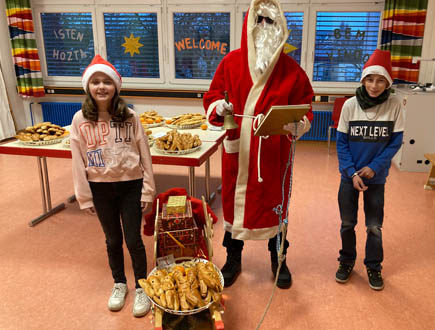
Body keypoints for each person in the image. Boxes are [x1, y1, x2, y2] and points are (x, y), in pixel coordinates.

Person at [203, 0, 314, 289]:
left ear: (281, 29)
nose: (265, 28)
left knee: (275, 207)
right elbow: (212, 95)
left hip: (274, 156)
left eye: (271, 22)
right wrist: (219, 107)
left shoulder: (292, 70)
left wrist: (299, 123)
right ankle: (234, 259)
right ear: (249, 24)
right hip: (238, 152)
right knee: (236, 207)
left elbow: (305, 106)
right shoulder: (230, 62)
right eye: (260, 21)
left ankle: (279, 259)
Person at [70, 55, 156, 316]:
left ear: (116, 86)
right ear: (88, 87)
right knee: (112, 240)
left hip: (131, 185)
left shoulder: (130, 117)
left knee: (133, 239)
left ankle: (141, 285)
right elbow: (78, 160)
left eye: (106, 81)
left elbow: (144, 154)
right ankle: (119, 283)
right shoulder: (79, 120)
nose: (101, 87)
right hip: (100, 189)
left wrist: (148, 189)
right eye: (95, 82)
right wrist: (84, 197)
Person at [335, 49, 404, 291]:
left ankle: (374, 266)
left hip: (377, 177)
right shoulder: (349, 106)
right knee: (347, 222)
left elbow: (395, 142)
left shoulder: (395, 105)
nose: (375, 86)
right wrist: (351, 173)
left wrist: (375, 167)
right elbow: (341, 144)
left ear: (388, 82)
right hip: (349, 176)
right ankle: (346, 261)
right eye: (370, 79)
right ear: (363, 80)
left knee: (374, 225)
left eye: (380, 80)